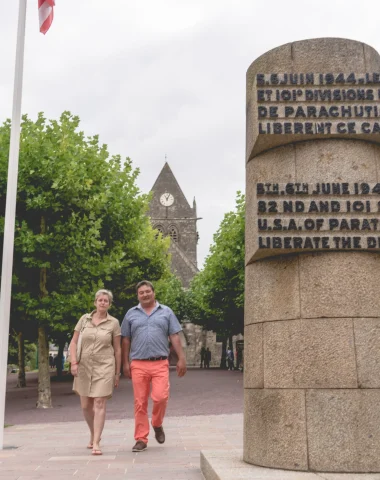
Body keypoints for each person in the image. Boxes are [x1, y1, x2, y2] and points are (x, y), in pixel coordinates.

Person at [121, 280, 187, 453]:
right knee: (140, 402)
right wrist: (125, 363)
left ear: (153, 292)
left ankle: (157, 423)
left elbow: (174, 335)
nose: (145, 294)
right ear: (138, 295)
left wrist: (181, 358)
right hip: (138, 364)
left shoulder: (166, 312)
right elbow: (125, 339)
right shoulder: (130, 314)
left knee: (160, 397)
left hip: (160, 363)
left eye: (147, 291)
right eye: (141, 292)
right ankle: (141, 439)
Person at [70, 289, 121, 456]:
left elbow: (118, 349)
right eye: (100, 300)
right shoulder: (84, 320)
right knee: (86, 405)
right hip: (84, 365)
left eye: (106, 301)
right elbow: (74, 342)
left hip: (105, 365)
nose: (103, 303)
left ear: (109, 304)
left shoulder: (113, 323)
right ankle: (92, 433)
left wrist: (117, 372)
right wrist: (73, 362)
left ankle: (97, 442)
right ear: (95, 302)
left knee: (99, 402)